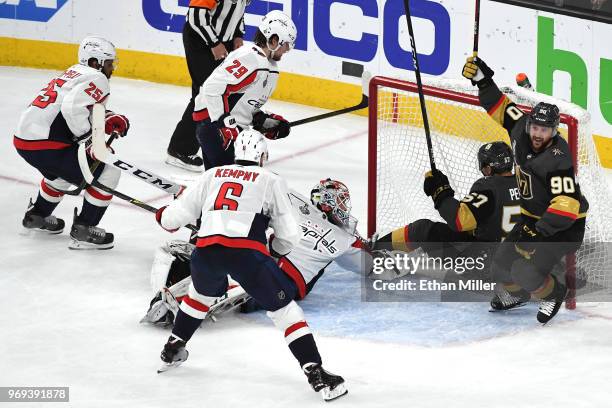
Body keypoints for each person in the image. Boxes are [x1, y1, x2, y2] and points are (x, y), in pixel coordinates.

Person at [154, 129, 347, 402]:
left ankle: (173, 348)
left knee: (199, 297)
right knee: (285, 311)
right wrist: (274, 251)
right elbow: (289, 235)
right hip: (247, 255)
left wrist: (163, 215)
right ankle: (317, 374)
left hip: (206, 252)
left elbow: (173, 219)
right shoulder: (270, 180)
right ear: (262, 156)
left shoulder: (212, 175)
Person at [462, 56, 588, 323]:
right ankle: (518, 295)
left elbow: (568, 206)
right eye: (535, 127)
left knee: (524, 270)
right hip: (532, 218)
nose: (537, 134)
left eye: (544, 129)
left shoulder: (558, 158)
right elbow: (500, 106)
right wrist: (483, 81)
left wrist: (538, 232)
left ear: (554, 131)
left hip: (563, 227)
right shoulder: (521, 129)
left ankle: (554, 293)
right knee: (499, 267)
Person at [142, 179, 371, 325]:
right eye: (341, 201)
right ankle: (165, 293)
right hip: (259, 260)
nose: (344, 208)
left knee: (247, 277)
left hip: (282, 280)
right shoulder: (293, 200)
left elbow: (368, 266)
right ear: (327, 202)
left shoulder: (346, 238)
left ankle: (195, 300)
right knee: (171, 249)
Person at [14, 36, 129, 250]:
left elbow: (76, 106)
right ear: (95, 62)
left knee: (61, 174)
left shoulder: (73, 72)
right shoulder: (97, 77)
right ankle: (84, 230)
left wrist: (107, 117)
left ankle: (37, 216)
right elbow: (72, 109)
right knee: (109, 172)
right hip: (47, 143)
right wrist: (91, 142)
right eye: (109, 63)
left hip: (25, 141)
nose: (112, 68)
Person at [371, 142, 521, 304]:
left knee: (423, 230)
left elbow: (459, 220)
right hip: (516, 263)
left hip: (483, 269)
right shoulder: (525, 183)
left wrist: (440, 191)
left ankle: (374, 249)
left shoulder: (488, 187)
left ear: (488, 168)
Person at [192, 10, 295, 170]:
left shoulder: (269, 66)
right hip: (215, 127)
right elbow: (213, 88)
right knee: (234, 182)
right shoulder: (251, 58)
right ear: (274, 40)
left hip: (227, 128)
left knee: (219, 183)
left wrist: (262, 120)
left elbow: (243, 103)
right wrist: (223, 125)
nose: (287, 49)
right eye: (286, 44)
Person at [166, 0, 249, 172]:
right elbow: (196, 17)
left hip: (220, 41)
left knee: (213, 94)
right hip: (201, 41)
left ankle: (214, 142)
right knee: (206, 95)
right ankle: (180, 149)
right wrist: (214, 43)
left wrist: (238, 35)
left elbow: (238, 10)